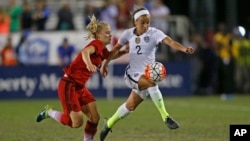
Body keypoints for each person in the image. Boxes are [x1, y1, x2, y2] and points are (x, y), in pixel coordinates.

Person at [99, 7, 194, 141]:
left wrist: (184, 48)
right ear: (135, 22)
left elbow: (170, 42)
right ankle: (165, 117)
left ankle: (108, 124)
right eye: (142, 22)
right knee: (152, 82)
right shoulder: (128, 34)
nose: (146, 25)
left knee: (129, 107)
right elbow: (115, 50)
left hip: (145, 76)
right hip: (132, 75)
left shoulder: (154, 33)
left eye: (148, 22)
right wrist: (104, 64)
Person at [35, 15, 128, 141]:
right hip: (69, 85)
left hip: (79, 87)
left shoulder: (102, 49)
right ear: (99, 35)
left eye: (110, 33)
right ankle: (49, 112)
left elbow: (110, 56)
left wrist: (124, 51)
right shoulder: (96, 44)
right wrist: (89, 64)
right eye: (107, 33)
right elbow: (85, 52)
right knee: (76, 123)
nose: (110, 35)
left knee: (94, 117)